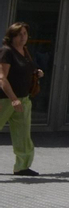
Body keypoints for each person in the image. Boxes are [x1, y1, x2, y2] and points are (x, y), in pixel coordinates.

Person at [0, 22, 39, 176]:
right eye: (19, 34)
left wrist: (37, 72)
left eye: (25, 34)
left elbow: (27, 70)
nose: (23, 37)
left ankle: (22, 167)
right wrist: (13, 99)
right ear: (12, 36)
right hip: (5, 99)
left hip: (24, 98)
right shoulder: (6, 52)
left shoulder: (25, 51)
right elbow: (2, 78)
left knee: (23, 134)